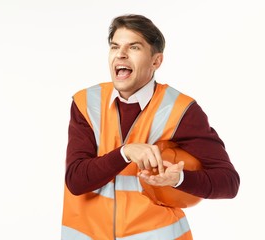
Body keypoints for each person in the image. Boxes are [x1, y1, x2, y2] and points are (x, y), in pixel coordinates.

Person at [61, 14, 240, 240]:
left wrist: (179, 180)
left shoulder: (181, 110)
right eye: (115, 46)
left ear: (156, 61)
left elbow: (228, 182)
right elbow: (76, 181)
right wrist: (125, 153)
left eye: (134, 47)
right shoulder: (87, 103)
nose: (121, 54)